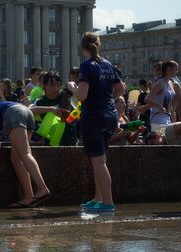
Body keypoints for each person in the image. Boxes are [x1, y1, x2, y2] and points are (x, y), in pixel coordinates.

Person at [67, 32, 124, 213]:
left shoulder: (86, 65)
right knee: (100, 160)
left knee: (98, 162)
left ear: (82, 47)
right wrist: (108, 99)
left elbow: (82, 95)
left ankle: (107, 202)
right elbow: (121, 89)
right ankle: (98, 198)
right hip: (110, 114)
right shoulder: (108, 64)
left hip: (93, 115)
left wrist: (71, 87)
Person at [0, 101, 51, 207]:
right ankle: (29, 197)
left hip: (14, 113)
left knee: (25, 153)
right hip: (25, 113)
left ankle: (42, 188)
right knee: (17, 159)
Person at [30, 72, 77, 146]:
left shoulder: (65, 96)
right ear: (44, 85)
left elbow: (76, 90)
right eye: (52, 85)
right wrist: (51, 109)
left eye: (58, 85)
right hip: (50, 141)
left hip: (69, 139)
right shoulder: (40, 101)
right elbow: (30, 110)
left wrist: (71, 85)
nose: (56, 88)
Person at [146, 61, 178, 133]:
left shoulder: (171, 83)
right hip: (158, 118)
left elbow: (169, 101)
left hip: (167, 117)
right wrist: (159, 106)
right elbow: (147, 99)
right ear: (169, 69)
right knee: (160, 140)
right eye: (175, 69)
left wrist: (173, 114)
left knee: (167, 141)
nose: (177, 71)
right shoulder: (160, 82)